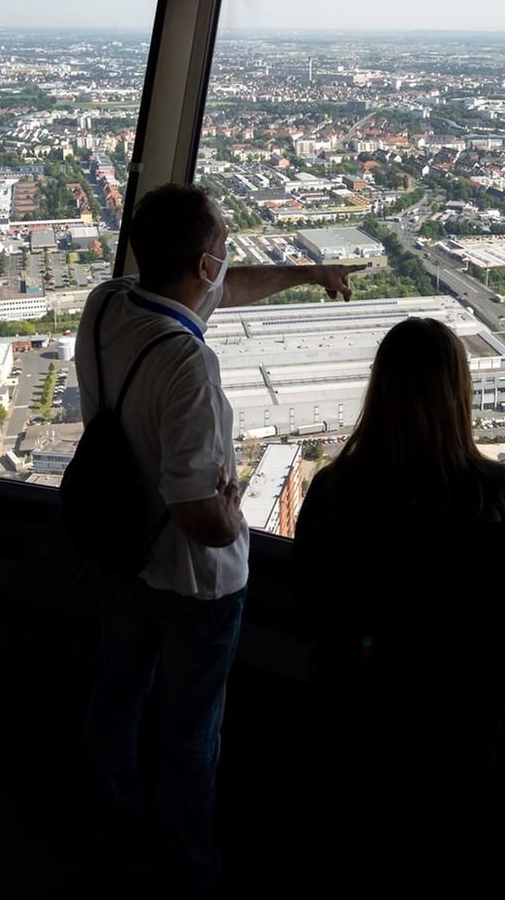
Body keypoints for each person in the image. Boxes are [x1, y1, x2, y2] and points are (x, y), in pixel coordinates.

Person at [76, 182, 363, 895]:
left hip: (116, 549)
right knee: (189, 736)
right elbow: (199, 518)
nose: (227, 264)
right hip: (192, 583)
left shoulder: (107, 303)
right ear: (204, 268)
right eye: (222, 251)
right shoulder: (189, 368)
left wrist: (307, 274)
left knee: (116, 699)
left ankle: (109, 821)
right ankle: (187, 865)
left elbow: (224, 290)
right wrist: (235, 516)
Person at [291, 316, 505, 887]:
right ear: (459, 395)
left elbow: (308, 610)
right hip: (467, 731)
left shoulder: (334, 491)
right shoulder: (499, 497)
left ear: (378, 390)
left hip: (357, 725)